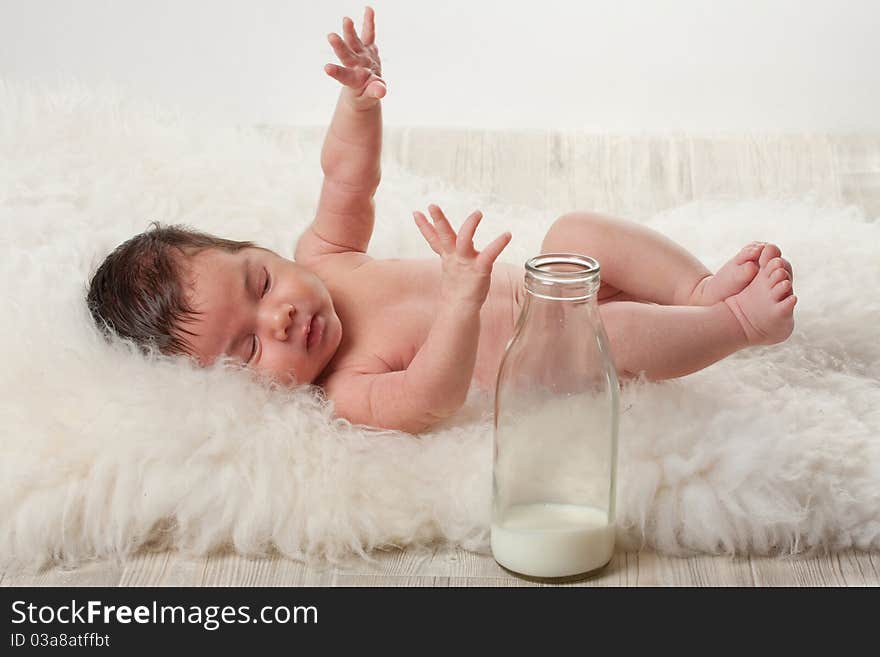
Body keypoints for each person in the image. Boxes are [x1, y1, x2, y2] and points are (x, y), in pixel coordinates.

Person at [87, 7, 796, 433]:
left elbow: (347, 177)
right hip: (550, 351)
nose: (277, 319)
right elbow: (430, 399)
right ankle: (735, 325)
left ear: (264, 248)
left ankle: (695, 291)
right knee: (595, 335)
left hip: (551, 279)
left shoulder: (326, 256)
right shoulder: (345, 389)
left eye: (261, 280)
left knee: (575, 233)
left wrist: (359, 105)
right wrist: (460, 303)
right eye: (246, 351)